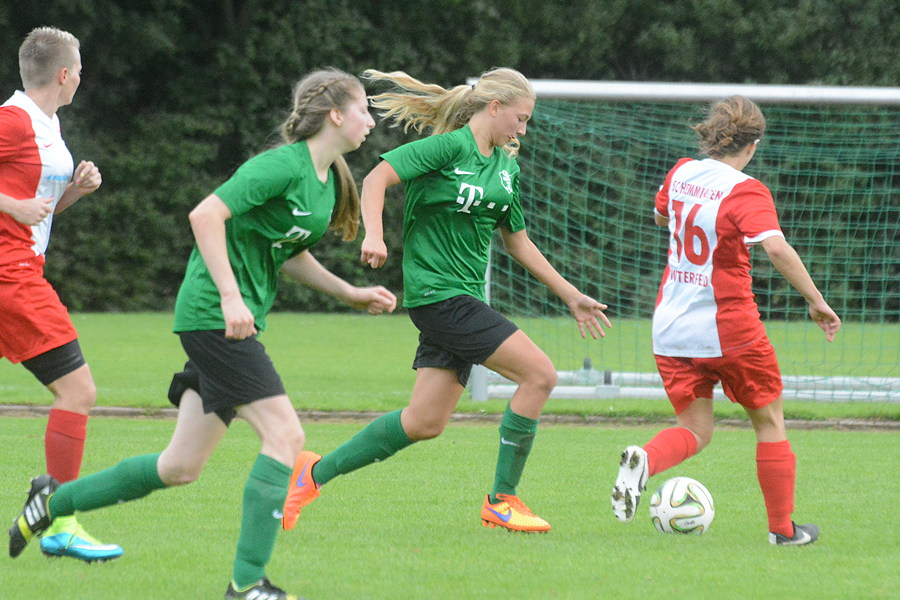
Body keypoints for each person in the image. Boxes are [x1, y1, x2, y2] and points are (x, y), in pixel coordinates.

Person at [8, 68, 397, 600]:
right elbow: (205, 215)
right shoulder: (281, 165)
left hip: (229, 321)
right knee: (286, 438)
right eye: (363, 110)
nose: (370, 121)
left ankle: (50, 505)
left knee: (179, 467)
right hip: (215, 318)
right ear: (335, 115)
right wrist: (232, 297)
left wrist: (349, 293)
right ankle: (248, 584)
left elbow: (288, 252)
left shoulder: (327, 181)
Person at [281, 67, 611, 535]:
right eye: (520, 118)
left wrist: (571, 296)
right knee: (540, 375)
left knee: (424, 422)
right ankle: (502, 500)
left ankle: (311, 475)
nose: (523, 129)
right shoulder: (447, 148)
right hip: (439, 296)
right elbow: (376, 178)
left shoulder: (506, 168)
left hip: (463, 299)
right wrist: (374, 235)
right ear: (493, 107)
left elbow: (518, 243)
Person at [610, 95, 841, 546]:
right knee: (769, 422)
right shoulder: (746, 190)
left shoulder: (680, 173)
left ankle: (646, 460)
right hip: (729, 328)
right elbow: (775, 248)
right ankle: (783, 531)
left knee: (695, 430)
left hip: (671, 329)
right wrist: (816, 301)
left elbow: (660, 216)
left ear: (711, 136)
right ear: (752, 145)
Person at [0, 26, 123, 562]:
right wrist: (10, 205)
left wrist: (73, 191)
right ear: (66, 74)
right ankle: (60, 522)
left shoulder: (48, 124)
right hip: (11, 276)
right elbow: (17, 208)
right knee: (78, 392)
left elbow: (36, 211)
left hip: (20, 268)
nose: (82, 78)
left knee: (76, 392)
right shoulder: (13, 120)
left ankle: (51, 509)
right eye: (81, 70)